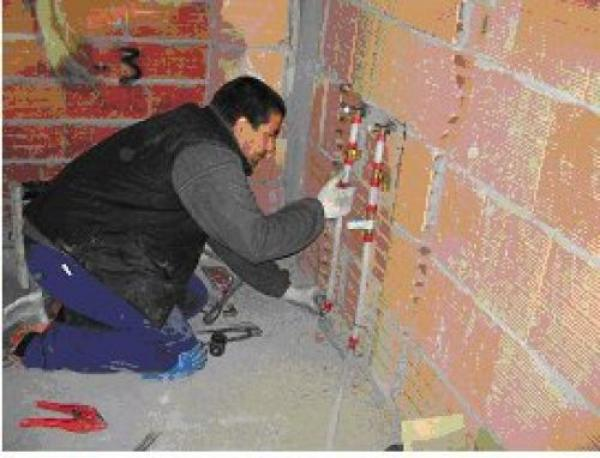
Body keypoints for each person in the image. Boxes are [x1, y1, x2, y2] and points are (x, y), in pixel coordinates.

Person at [8, 76, 354, 379]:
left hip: (94, 242)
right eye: (269, 135)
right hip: (68, 252)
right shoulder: (207, 157)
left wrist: (288, 291)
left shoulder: (195, 130)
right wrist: (319, 209)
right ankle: (35, 346)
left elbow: (229, 234)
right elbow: (256, 240)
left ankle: (72, 309)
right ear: (242, 126)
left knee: (190, 297)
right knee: (177, 355)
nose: (269, 148)